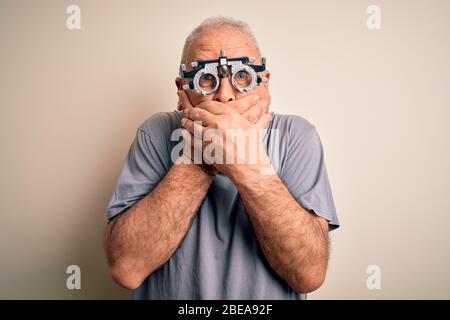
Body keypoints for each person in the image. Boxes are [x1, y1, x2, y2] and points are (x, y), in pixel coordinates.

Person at [104, 16, 340, 300]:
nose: (225, 95)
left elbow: (309, 274)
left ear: (264, 84)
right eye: (207, 78)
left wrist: (245, 162)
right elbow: (127, 269)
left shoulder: (296, 136)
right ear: (182, 91)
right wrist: (202, 155)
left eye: (242, 76)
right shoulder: (156, 134)